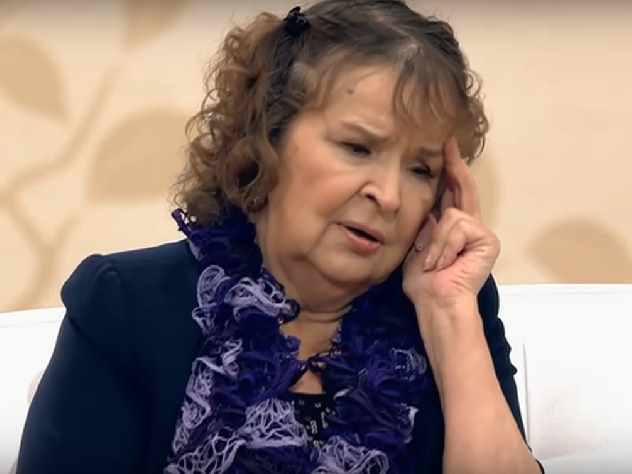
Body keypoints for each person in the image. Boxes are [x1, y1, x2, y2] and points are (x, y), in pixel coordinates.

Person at [17, 1, 545, 473]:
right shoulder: (126, 306)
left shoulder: (456, 311)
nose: (389, 196)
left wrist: (449, 313)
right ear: (267, 138)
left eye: (421, 170)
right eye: (358, 148)